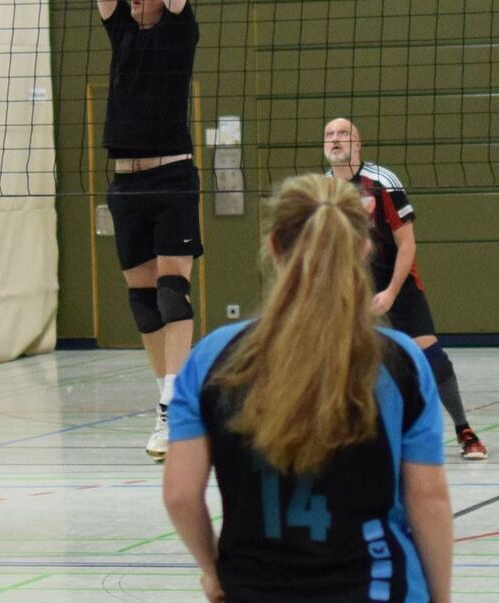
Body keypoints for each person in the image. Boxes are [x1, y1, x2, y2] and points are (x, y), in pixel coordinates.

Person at [163, 174, 453, 602]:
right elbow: (427, 498)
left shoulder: (211, 360)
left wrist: (213, 572)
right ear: (364, 248)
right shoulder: (399, 360)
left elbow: (181, 495)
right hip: (379, 587)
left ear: (274, 246)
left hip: (253, 587)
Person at [50, 0, 201, 461]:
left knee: (172, 292)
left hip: (172, 176)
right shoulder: (119, 31)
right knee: (142, 301)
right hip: (124, 182)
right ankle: (167, 396)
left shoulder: (178, 31)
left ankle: (175, 403)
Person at [324, 118, 487, 461]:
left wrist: (392, 293)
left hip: (395, 282)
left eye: (343, 134)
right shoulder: (320, 190)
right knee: (341, 362)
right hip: (348, 287)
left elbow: (407, 244)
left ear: (358, 143)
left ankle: (463, 429)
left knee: (432, 359)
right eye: (329, 135)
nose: (335, 140)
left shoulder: (383, 182)